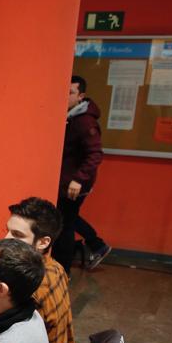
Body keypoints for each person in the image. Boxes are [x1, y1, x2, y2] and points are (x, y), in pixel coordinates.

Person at [6, 197, 82, 343]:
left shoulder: (34, 283)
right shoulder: (55, 267)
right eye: (7, 231)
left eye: (17, 235)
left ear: (43, 242)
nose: (6, 239)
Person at [54, 75, 108, 273]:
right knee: (66, 220)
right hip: (66, 182)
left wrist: (78, 179)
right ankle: (96, 244)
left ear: (80, 96)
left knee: (64, 227)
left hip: (74, 185)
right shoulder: (71, 116)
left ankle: (63, 271)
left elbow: (95, 153)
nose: (65, 97)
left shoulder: (84, 121)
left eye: (70, 93)